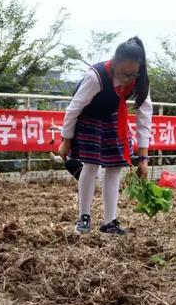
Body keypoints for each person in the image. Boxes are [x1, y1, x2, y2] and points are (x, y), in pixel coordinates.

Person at [58, 36, 152, 235]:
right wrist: (66, 141)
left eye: (132, 74)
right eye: (122, 73)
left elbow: (144, 119)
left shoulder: (140, 81)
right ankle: (84, 218)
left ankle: (110, 221)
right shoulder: (96, 76)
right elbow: (73, 108)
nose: (127, 78)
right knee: (91, 166)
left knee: (115, 167)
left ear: (139, 69)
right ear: (114, 63)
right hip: (89, 117)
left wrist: (143, 158)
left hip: (113, 117)